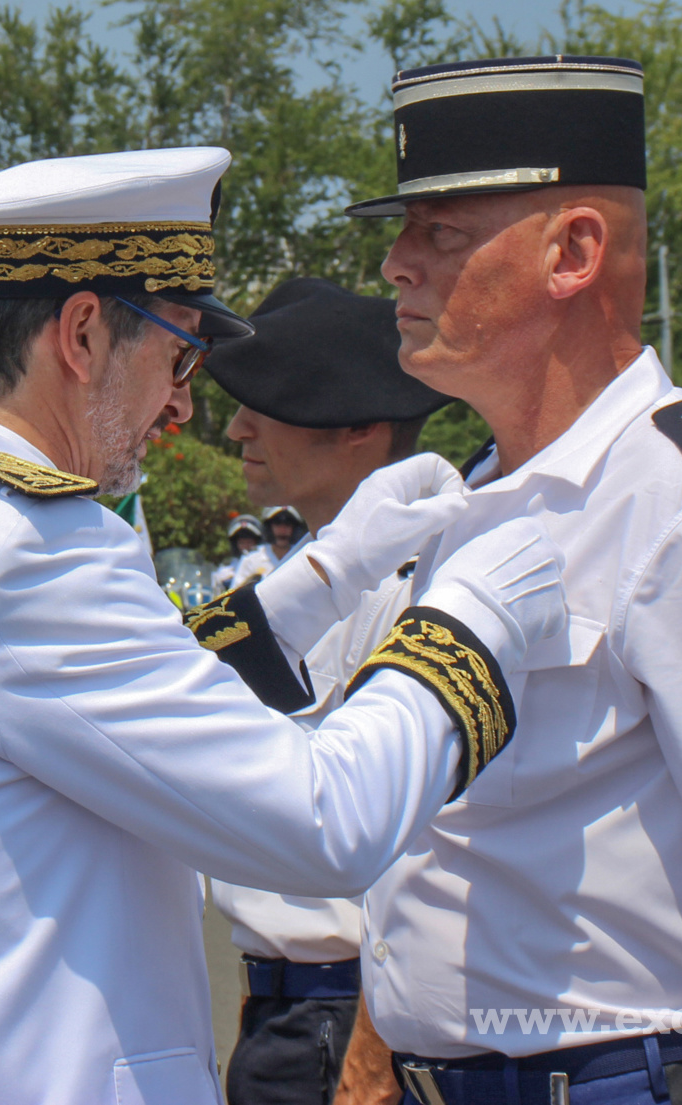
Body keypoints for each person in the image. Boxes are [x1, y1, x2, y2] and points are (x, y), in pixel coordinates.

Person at [0, 147, 569, 1105]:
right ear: (84, 334)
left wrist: (326, 575)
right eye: (178, 354)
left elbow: (75, 712)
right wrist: (473, 618)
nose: (183, 403)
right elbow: (322, 825)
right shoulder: (30, 547)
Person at [324, 55, 682, 1105]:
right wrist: (375, 1051)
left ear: (573, 252)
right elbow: (452, 844)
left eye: (439, 234)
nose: (397, 266)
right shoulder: (480, 497)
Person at [205, 277, 450, 1105]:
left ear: (360, 429)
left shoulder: (415, 593)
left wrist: (372, 1059)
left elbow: (429, 852)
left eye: (268, 403)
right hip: (285, 1012)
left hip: (348, 1020)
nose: (238, 426)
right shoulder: (306, 576)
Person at [236, 505, 305, 584]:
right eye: (277, 523)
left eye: (288, 524)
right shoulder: (251, 559)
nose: (282, 530)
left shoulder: (303, 556)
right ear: (268, 527)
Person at [212, 513, 264, 594]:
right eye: (242, 543)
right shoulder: (225, 570)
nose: (246, 546)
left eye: (249, 542)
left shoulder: (265, 564)